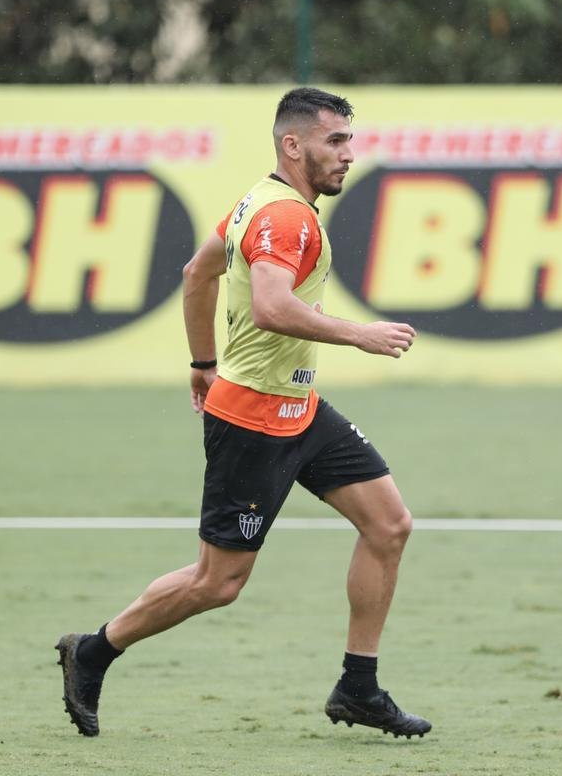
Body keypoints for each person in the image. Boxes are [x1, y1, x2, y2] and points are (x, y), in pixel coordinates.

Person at [55, 87, 431, 740]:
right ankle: (93, 650)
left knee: (390, 525)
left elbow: (197, 273)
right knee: (217, 582)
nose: (349, 154)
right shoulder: (286, 217)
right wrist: (359, 334)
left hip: (300, 409)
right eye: (335, 141)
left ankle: (358, 687)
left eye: (350, 140)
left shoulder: (256, 201)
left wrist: (202, 362)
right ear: (294, 145)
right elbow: (270, 307)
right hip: (253, 421)